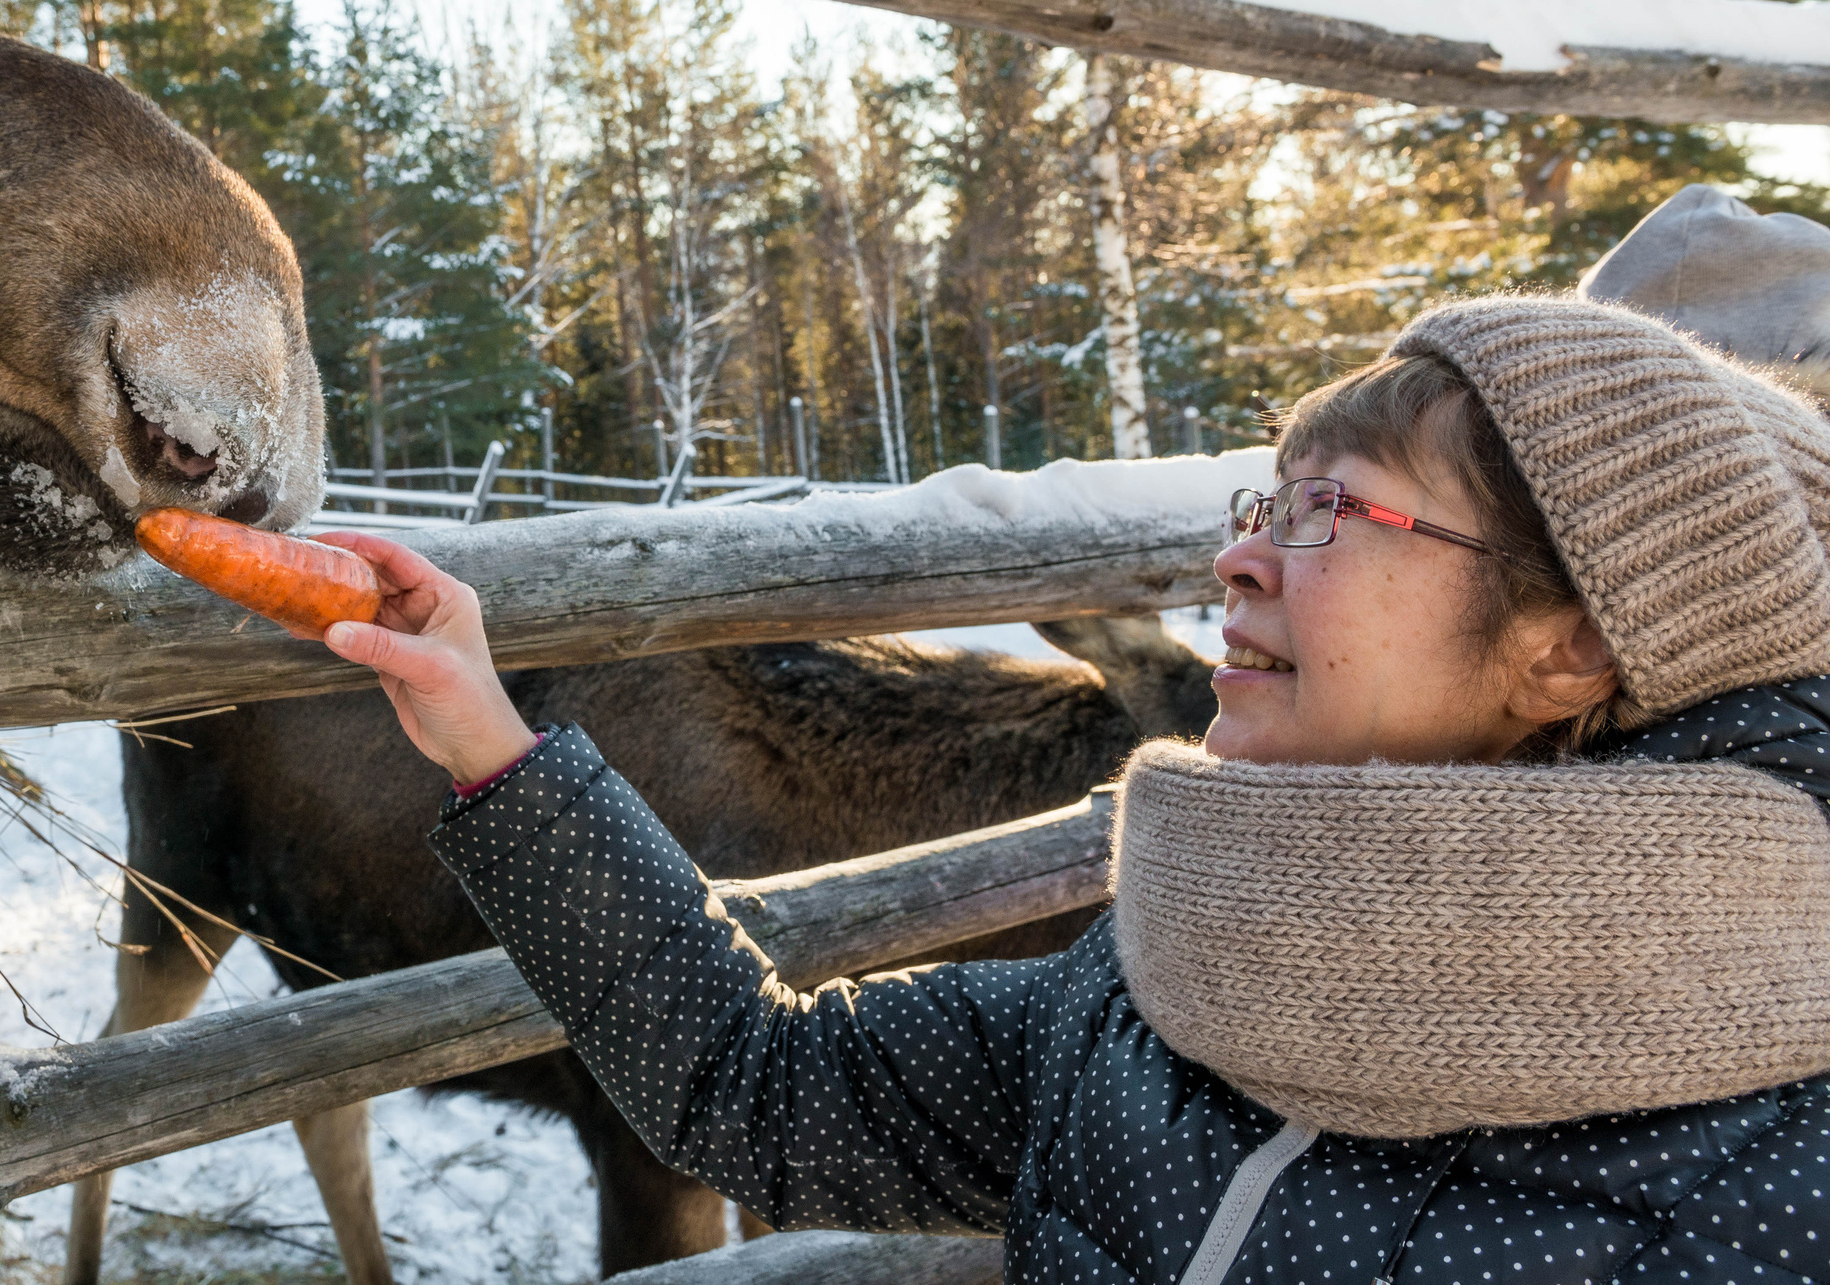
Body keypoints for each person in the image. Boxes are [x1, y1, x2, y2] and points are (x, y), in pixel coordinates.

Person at [317, 294, 1830, 1284]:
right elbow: (752, 1088)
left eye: (1330, 510)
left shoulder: (1771, 1184)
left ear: (1569, 643)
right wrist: (490, 741)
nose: (1236, 556)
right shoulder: (1161, 974)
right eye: (1262, 499)